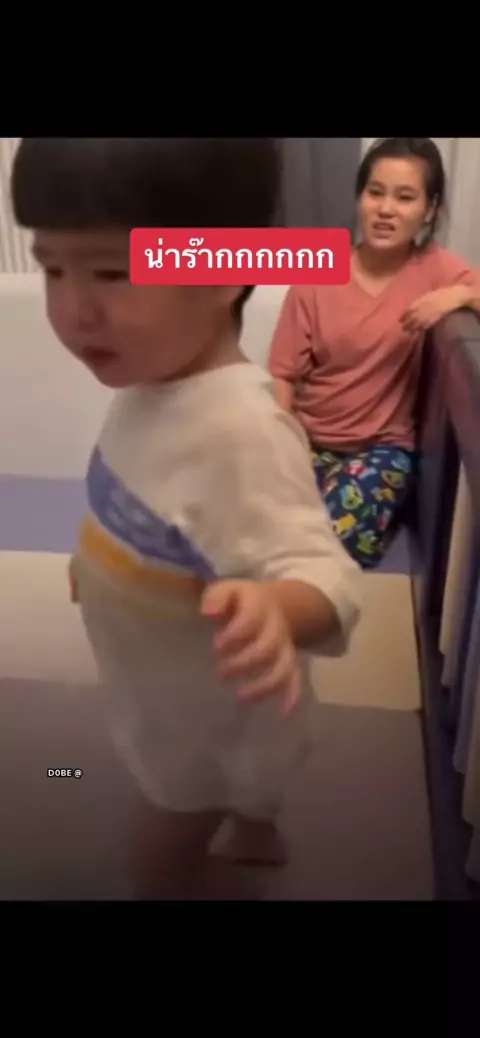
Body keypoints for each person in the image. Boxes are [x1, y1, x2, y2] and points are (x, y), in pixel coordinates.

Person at [11, 138, 363, 899]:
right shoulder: (152, 380)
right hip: (161, 682)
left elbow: (327, 574)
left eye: (111, 272)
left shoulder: (241, 430)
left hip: (209, 713)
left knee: (157, 867)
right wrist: (98, 565)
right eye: (53, 270)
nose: (74, 309)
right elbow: (146, 500)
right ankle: (259, 826)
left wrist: (277, 607)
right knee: (251, 786)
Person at [269, 137, 480, 569]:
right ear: (360, 197)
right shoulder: (317, 273)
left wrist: (459, 295)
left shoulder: (434, 268)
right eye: (375, 192)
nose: (385, 209)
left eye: (405, 197)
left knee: (327, 541)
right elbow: (283, 375)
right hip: (308, 440)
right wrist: (280, 447)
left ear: (429, 210)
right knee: (254, 519)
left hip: (381, 451)